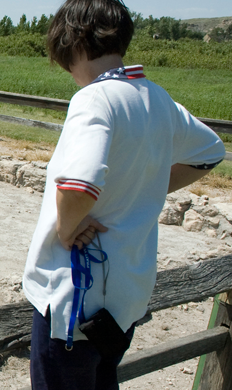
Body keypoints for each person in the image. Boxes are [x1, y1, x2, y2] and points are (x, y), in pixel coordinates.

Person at [22, 0, 226, 389]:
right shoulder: (157, 98)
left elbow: (77, 184)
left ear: (72, 41)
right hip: (124, 298)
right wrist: (145, 184)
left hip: (73, 298)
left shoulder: (95, 99)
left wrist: (67, 230)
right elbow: (210, 151)